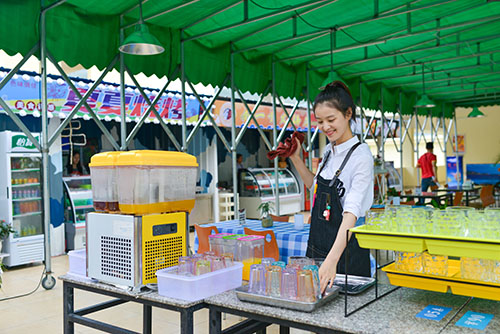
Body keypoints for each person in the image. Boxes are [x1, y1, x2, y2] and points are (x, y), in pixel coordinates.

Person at [289, 81, 373, 294]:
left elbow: (351, 213)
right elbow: (315, 189)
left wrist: (331, 260)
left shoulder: (361, 156)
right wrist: (296, 159)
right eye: (320, 121)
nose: (325, 127)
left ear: (347, 114)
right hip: (318, 247)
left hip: (347, 252)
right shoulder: (329, 151)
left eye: (331, 119)